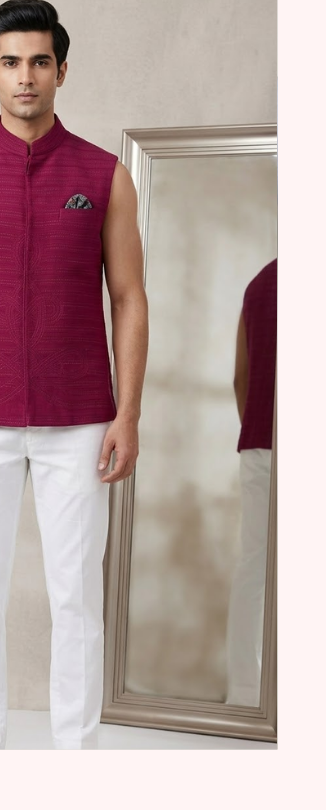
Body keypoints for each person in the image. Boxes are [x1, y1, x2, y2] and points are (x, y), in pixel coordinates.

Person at [0, 0, 148, 749]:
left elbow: (129, 298)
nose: (25, 77)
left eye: (39, 62)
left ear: (61, 70)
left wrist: (128, 414)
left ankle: (75, 759)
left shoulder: (103, 176)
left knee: (76, 597)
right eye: (10, 62)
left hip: (81, 419)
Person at [225, 257, 277, 706]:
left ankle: (244, 692)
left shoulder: (259, 285)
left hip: (260, 444)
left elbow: (240, 378)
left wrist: (258, 426)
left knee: (254, 567)